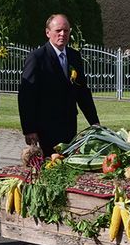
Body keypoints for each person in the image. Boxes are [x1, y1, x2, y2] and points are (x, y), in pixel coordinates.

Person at [18, 14, 100, 156]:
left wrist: (94, 122)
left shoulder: (74, 56)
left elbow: (82, 92)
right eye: (58, 31)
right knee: (50, 166)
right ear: (48, 32)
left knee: (67, 165)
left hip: (69, 124)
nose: (62, 34)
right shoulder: (37, 58)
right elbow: (26, 96)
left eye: (66, 31)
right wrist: (29, 129)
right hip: (46, 126)